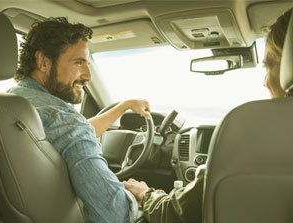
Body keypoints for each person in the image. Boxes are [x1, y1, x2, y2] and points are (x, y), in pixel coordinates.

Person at [124, 8, 292, 223]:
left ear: (287, 68)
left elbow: (176, 214)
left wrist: (145, 194)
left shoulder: (245, 137)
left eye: (268, 66)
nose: (264, 81)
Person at [8, 17, 151, 223]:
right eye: (79, 62)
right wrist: (138, 195)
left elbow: (70, 133)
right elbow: (114, 214)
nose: (88, 75)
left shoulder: (7, 104)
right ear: (44, 62)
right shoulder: (62, 119)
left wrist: (123, 106)